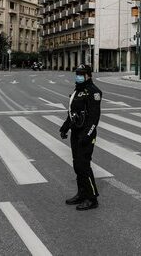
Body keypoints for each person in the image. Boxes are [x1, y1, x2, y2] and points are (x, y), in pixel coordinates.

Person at [59, 64, 102, 211]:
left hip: (86, 134)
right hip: (76, 133)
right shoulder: (77, 91)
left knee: (84, 166)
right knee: (77, 166)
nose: (78, 76)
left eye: (81, 74)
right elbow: (72, 113)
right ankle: (82, 194)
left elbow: (94, 118)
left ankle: (92, 198)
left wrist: (87, 135)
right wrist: (65, 128)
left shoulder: (93, 92)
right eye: (77, 73)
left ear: (89, 75)